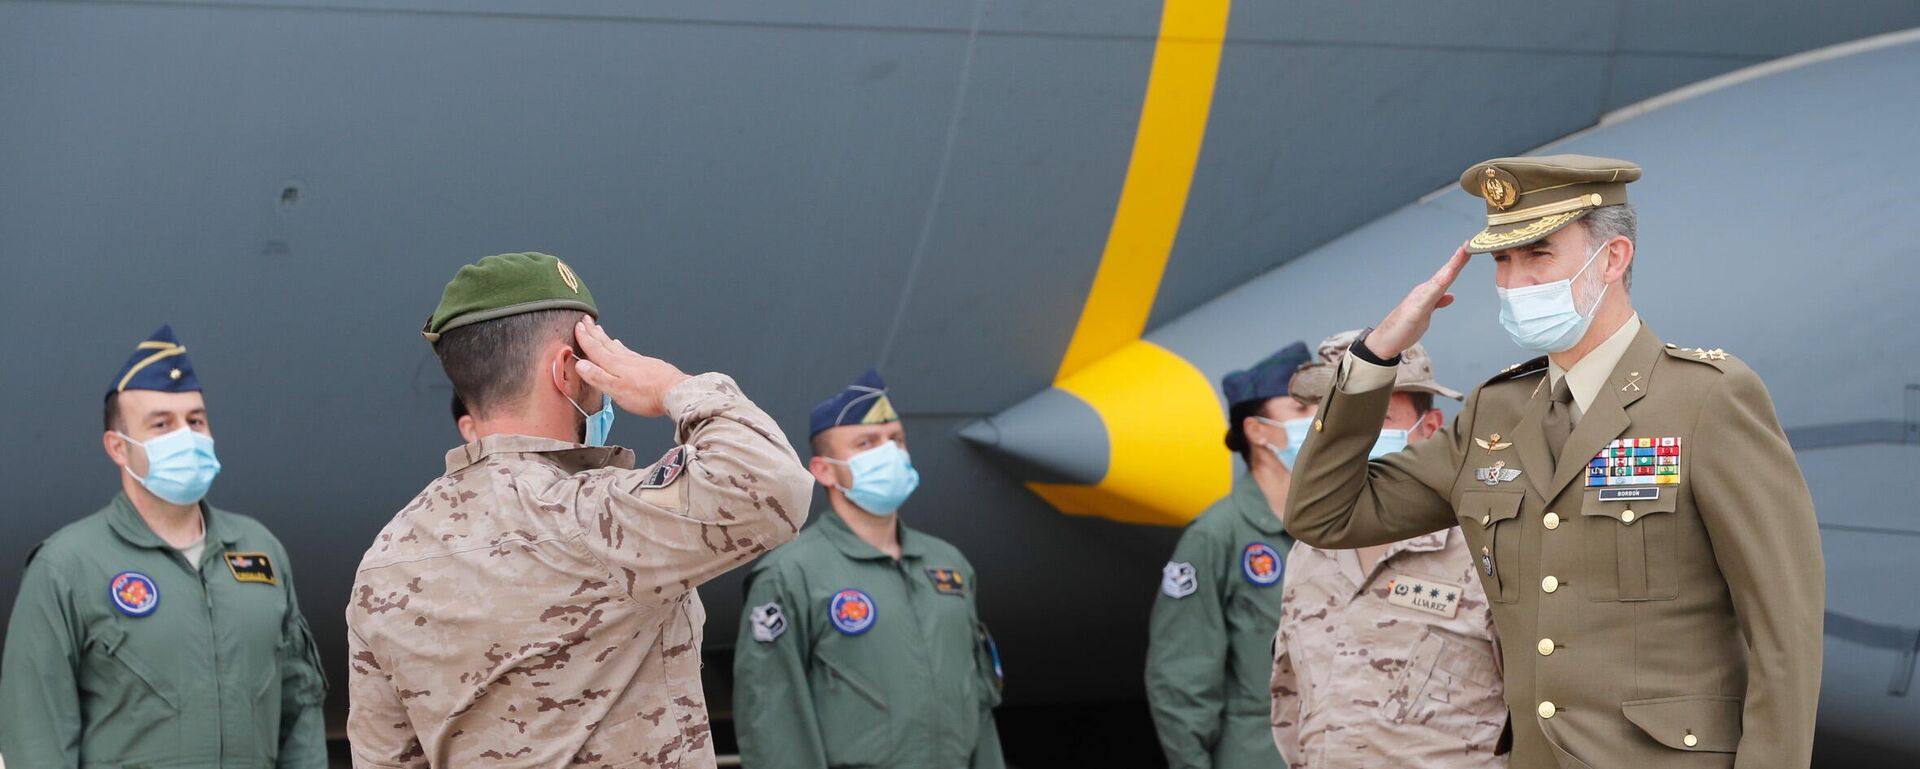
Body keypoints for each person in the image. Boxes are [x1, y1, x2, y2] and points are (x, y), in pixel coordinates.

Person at [1284, 155, 1823, 767]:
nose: (1515, 284)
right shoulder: (1497, 411)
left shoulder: (1705, 397)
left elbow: (1786, 629)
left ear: (1613, 258)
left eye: (1538, 255)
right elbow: (1324, 514)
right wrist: (1377, 355)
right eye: (1503, 262)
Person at [345, 252, 812, 768]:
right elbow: (774, 485)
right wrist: (671, 386)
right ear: (567, 369)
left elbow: (385, 757)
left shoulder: (388, 558)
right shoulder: (595, 517)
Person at [0, 324, 328, 768]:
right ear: (118, 447)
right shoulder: (66, 567)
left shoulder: (260, 550)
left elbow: (301, 706)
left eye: (195, 420)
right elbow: (36, 737)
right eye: (162, 424)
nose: (186, 436)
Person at [733, 369, 1004, 769]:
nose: (888, 452)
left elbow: (978, 699)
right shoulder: (792, 574)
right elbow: (773, 717)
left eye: (895, 439)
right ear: (824, 469)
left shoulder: (948, 568)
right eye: (867, 443)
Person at [1269, 331, 1504, 767]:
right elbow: (1290, 700)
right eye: (1332, 419)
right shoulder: (1307, 552)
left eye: (1376, 416)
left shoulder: (1484, 547)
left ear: (1429, 430)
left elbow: (1539, 707)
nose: (1346, 437)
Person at [1147, 342, 1316, 769]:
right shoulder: (1215, 535)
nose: (1317, 421)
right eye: (1299, 409)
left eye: (1321, 407)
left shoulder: (1338, 524)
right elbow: (1182, 673)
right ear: (1256, 431)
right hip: (1259, 754)